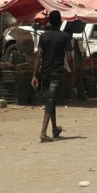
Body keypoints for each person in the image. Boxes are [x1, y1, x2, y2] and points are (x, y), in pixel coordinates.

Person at [31, 11, 74, 143]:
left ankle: (54, 129)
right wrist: (72, 72)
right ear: (60, 22)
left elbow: (38, 56)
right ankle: (43, 133)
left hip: (45, 72)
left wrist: (34, 75)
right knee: (51, 99)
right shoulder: (65, 37)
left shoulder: (43, 37)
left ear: (49, 21)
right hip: (57, 72)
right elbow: (69, 57)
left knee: (51, 99)